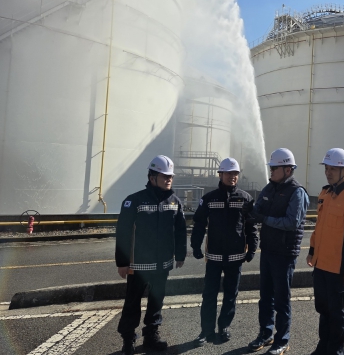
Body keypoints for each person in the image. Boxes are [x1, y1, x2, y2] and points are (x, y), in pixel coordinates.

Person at [115, 155, 187, 355]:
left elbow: (180, 230)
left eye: (170, 176)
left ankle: (151, 335)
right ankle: (128, 339)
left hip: (162, 264)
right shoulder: (134, 200)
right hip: (138, 266)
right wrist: (122, 262)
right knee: (132, 303)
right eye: (165, 176)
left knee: (156, 302)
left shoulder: (175, 202)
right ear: (152, 177)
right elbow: (123, 232)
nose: (169, 179)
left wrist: (180, 254)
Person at [245, 148, 310, 355]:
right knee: (265, 297)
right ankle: (266, 333)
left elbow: (292, 222)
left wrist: (264, 219)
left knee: (281, 300)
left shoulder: (297, 192)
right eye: (271, 168)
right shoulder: (270, 188)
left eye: (274, 168)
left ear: (288, 169)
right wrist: (249, 211)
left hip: (285, 253)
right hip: (268, 250)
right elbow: (258, 209)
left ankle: (282, 340)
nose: (271, 171)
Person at [306, 148, 344, 355]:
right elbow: (319, 227)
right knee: (323, 309)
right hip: (321, 265)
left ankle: (336, 351)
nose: (328, 172)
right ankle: (323, 347)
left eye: (333, 169)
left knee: (336, 313)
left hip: (339, 268)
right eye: (327, 168)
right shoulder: (324, 193)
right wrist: (312, 250)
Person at [191, 157, 258, 347]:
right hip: (213, 257)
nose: (232, 176)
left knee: (231, 295)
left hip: (236, 257)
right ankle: (206, 331)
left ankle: (224, 327)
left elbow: (251, 227)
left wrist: (252, 248)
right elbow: (199, 224)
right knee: (209, 295)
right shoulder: (209, 199)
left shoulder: (246, 199)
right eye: (228, 173)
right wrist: (195, 245)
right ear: (220, 174)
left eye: (235, 173)